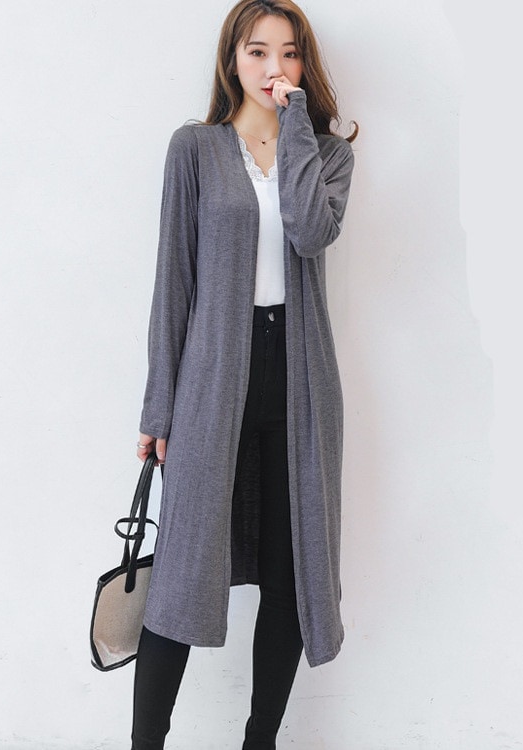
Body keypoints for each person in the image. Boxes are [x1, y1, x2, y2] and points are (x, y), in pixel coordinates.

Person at [133, 1, 357, 747]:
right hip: (211, 381)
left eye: (289, 54)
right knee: (182, 571)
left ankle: (260, 740)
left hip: (300, 384)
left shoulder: (326, 155)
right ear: (233, 59)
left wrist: (294, 125)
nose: (273, 67)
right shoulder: (194, 149)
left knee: (292, 572)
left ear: (303, 65)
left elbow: (309, 230)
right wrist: (159, 408)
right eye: (258, 51)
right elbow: (173, 282)